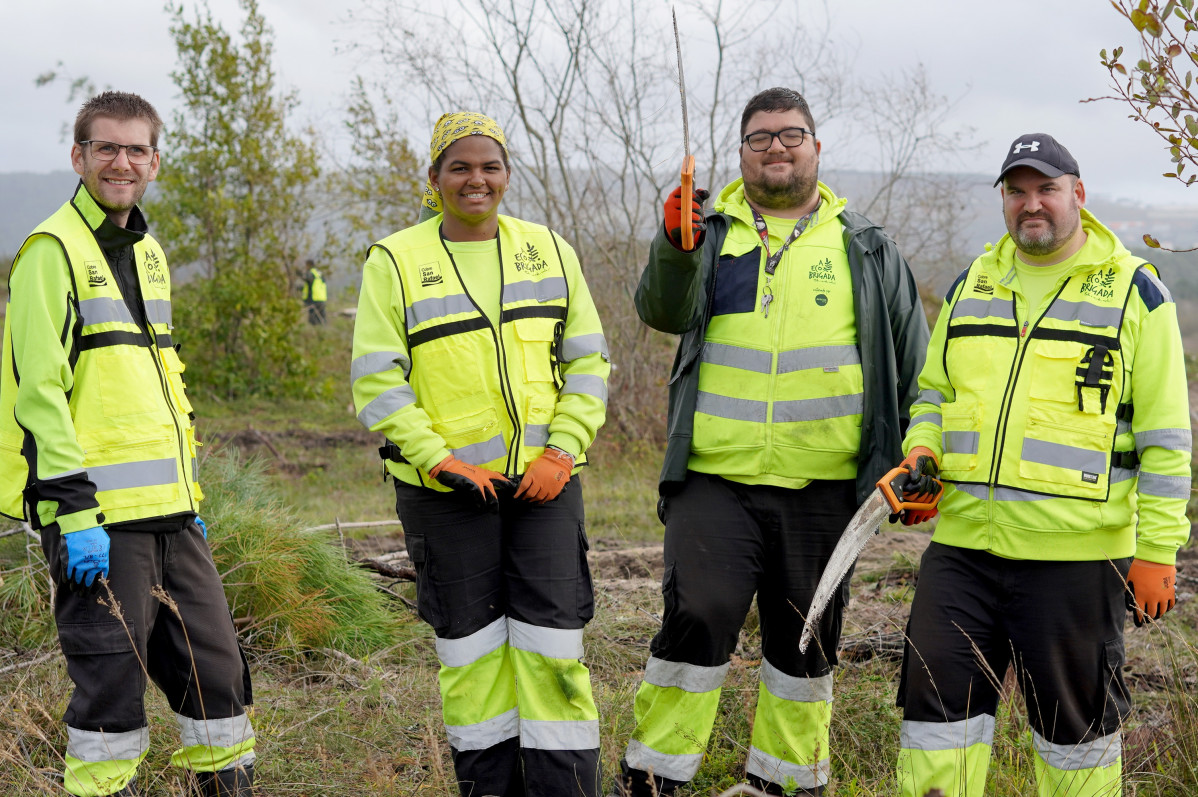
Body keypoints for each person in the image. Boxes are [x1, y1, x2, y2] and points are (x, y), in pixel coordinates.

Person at [614, 87, 930, 796]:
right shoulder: (711, 231)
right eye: (760, 138)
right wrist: (675, 244)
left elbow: (920, 365)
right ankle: (655, 776)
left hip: (826, 486)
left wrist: (921, 453)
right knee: (698, 613)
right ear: (740, 155)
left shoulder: (867, 248)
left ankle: (786, 783)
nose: (777, 147)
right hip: (714, 478)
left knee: (805, 634)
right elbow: (661, 310)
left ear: (818, 148)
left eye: (791, 135)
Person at [894, 133, 1192, 797]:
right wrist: (923, 452)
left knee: (1074, 739)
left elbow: (1167, 439)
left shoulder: (1134, 295)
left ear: (1077, 196)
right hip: (963, 550)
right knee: (935, 715)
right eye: (1017, 190)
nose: (1031, 203)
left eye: (1046, 188)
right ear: (1003, 198)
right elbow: (934, 395)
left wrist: (1159, 549)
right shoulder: (973, 284)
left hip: (1077, 560)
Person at [0, 92, 255, 795]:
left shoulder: (149, 253)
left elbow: (159, 382)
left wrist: (189, 492)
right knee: (110, 695)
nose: (121, 161)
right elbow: (38, 393)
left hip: (171, 511)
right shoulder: (50, 252)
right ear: (78, 156)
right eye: (105, 147)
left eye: (135, 149)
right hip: (98, 518)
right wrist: (72, 509)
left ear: (155, 161)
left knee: (217, 676)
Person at [351, 111, 611, 797]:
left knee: (554, 651)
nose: (476, 179)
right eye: (459, 167)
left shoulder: (550, 251)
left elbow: (588, 362)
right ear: (434, 177)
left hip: (545, 490)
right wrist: (440, 460)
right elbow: (378, 382)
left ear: (506, 175)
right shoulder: (396, 260)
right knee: (471, 655)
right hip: (448, 496)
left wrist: (563, 449)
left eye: (489, 166)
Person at [300, 259, 327, 325]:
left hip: (314, 298)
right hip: (322, 298)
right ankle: (322, 330)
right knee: (321, 317)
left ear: (308, 265)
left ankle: (315, 330)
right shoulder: (319, 273)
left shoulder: (310, 273)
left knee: (313, 318)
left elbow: (307, 279)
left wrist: (299, 274)